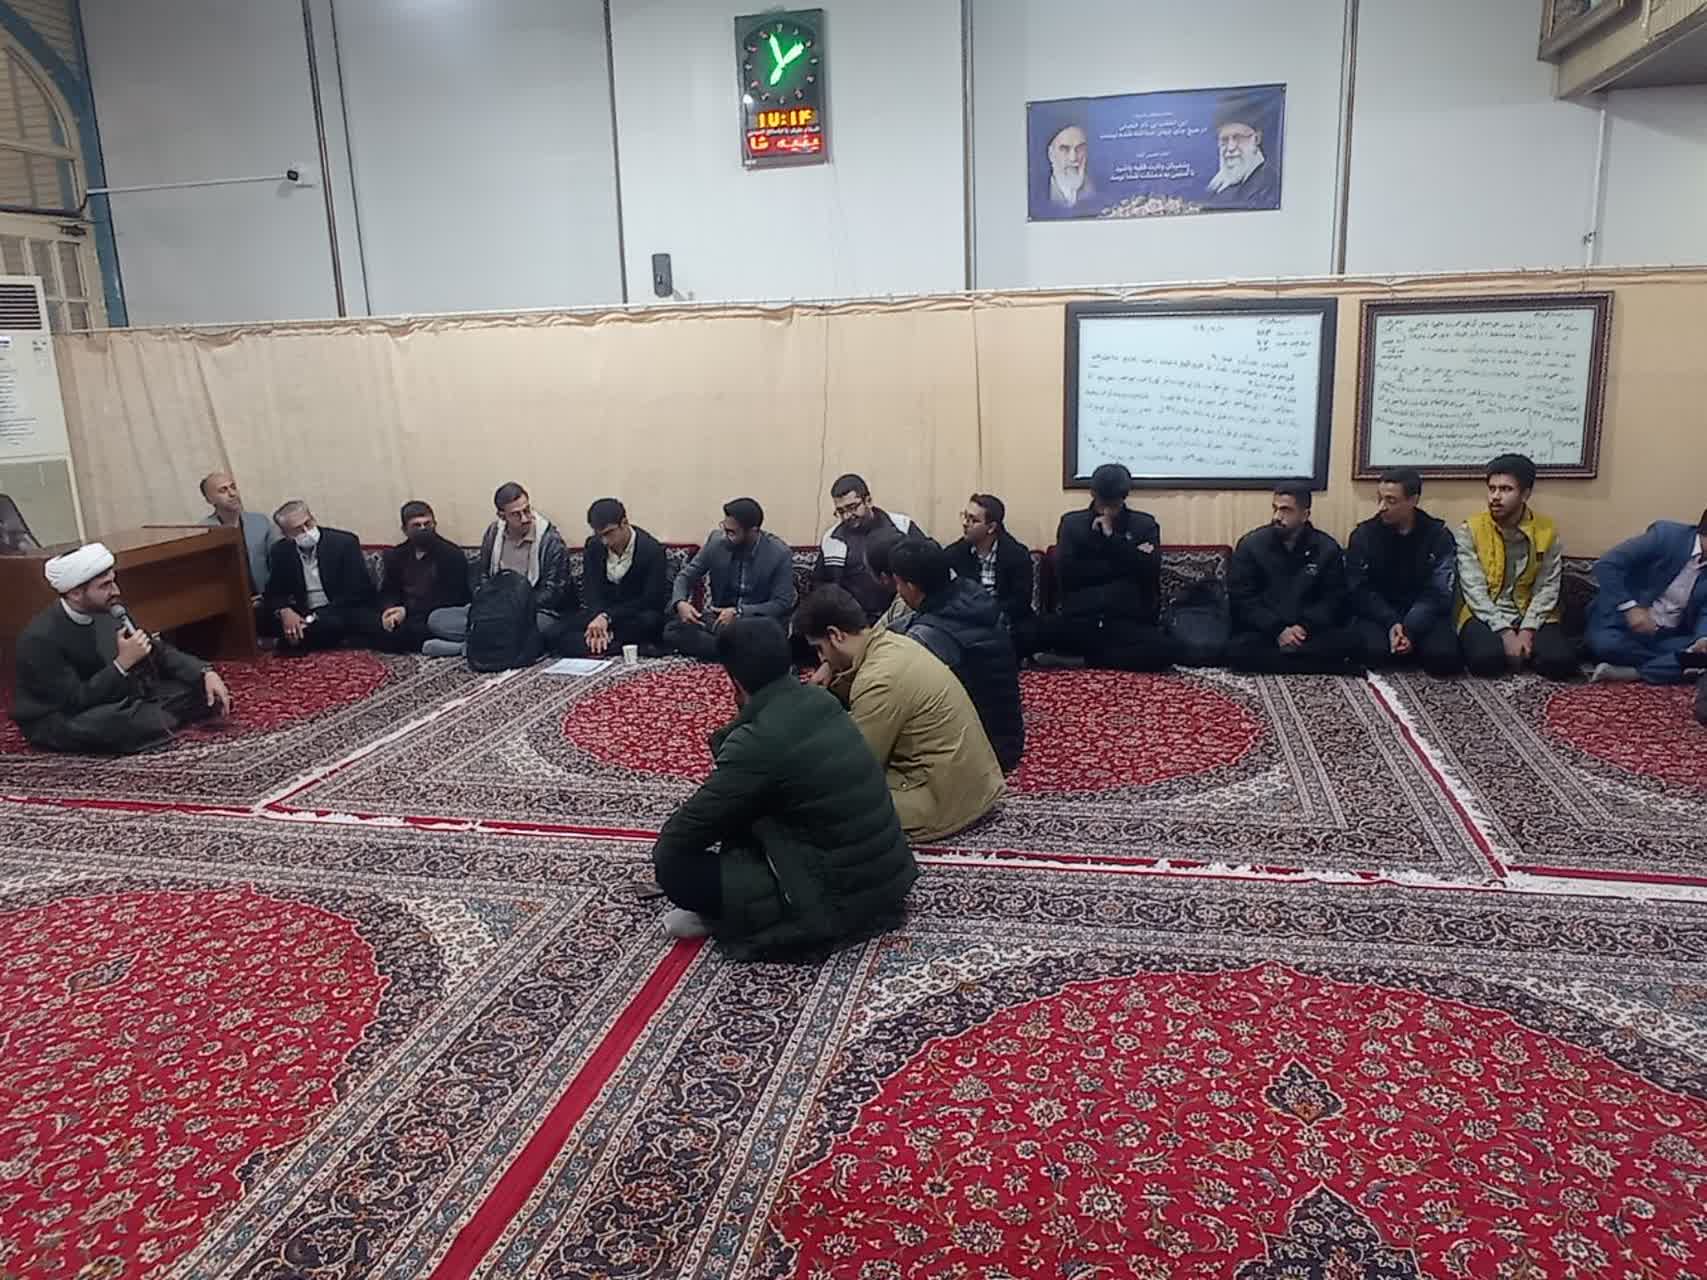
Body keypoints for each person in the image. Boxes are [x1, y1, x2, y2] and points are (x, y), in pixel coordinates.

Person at [649, 617, 919, 950]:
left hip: (837, 896)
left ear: (735, 682)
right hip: (887, 878)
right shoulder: (822, 701)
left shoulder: (758, 741)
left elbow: (681, 837)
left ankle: (734, 915)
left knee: (675, 867)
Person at [797, 586, 1004, 843]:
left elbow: (855, 767)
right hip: (967, 786)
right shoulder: (893, 644)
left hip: (942, 802)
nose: (820, 660)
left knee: (813, 802)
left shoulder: (879, 679)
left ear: (835, 635)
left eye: (820, 649)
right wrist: (833, 666)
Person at [10, 542, 233, 753]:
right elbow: (74, 701)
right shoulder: (40, 639)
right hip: (61, 716)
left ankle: (157, 719)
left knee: (201, 689)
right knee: (122, 723)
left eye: (113, 582)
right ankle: (155, 720)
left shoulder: (107, 610)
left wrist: (204, 672)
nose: (116, 591)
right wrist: (122, 664)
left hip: (114, 697)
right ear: (75, 593)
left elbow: (157, 650)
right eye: (105, 586)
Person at [888, 539, 1025, 773]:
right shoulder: (970, 593)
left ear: (910, 587)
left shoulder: (928, 637)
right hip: (1006, 739)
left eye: (898, 584)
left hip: (978, 753)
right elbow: (900, 625)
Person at [1033, 463, 1174, 671]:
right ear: (1092, 494)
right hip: (1081, 618)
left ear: (1125, 496)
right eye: (1103, 502)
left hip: (1126, 621)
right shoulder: (1072, 524)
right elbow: (1067, 574)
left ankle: (1083, 661)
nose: (1107, 510)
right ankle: (1100, 657)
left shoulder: (1143, 525)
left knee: (1165, 650)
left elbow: (1149, 570)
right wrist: (1127, 560)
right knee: (1026, 634)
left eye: (1113, 503)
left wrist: (1112, 539)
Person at [1455, 454, 1576, 680]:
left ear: (1525, 494)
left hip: (1530, 611)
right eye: (1492, 489)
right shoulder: (1471, 529)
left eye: (1506, 489)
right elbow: (1473, 589)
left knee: (1560, 663)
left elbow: (1547, 586)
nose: (1495, 497)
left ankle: (1527, 651)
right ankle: (1517, 654)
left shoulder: (1547, 531)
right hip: (1485, 612)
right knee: (1485, 661)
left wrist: (1528, 630)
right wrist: (1504, 632)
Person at [426, 482, 573, 658]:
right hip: (495, 606)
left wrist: (512, 610)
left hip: (533, 611)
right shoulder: (493, 533)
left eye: (527, 510)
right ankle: (492, 643)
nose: (525, 518)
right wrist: (488, 605)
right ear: (502, 516)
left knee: (545, 627)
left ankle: (467, 647)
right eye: (516, 514)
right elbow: (483, 575)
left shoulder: (550, 541)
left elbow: (553, 592)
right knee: (437, 619)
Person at [1227, 484, 1361, 674]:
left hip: (1309, 631)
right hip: (1266, 631)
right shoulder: (1251, 545)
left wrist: (1303, 627)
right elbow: (1242, 597)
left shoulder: (1327, 548)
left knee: (1353, 642)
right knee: (1237, 651)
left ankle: (1285, 662)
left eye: (1286, 510)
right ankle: (1318, 666)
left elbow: (1333, 599)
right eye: (1275, 508)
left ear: (1304, 515)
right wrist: (1278, 630)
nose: (1277, 516)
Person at [1345, 468, 1462, 675]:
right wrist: (1391, 621)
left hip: (1423, 614)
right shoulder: (1364, 535)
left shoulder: (1438, 535)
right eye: (1379, 499)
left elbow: (1440, 591)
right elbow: (1359, 589)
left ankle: (1407, 644)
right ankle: (1402, 645)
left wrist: (1409, 628)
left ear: (1413, 500)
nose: (1382, 507)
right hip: (1379, 613)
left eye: (1391, 500)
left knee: (1444, 659)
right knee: (1373, 654)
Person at [665, 497, 797, 661]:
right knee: (672, 630)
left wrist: (739, 612)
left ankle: (725, 650)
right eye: (724, 529)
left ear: (753, 531)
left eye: (732, 533)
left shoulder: (779, 553)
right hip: (720, 621)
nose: (725, 536)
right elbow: (685, 577)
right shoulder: (717, 542)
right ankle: (735, 652)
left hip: (756, 624)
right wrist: (680, 603)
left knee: (770, 640)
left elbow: (782, 603)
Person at [1586, 508, 1707, 684]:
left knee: (1700, 653)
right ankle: (1673, 667)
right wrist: (1631, 608)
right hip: (1624, 627)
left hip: (1669, 636)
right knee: (1606, 645)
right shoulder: (1666, 536)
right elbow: (1606, 564)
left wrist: (1703, 639)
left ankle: (1635, 673)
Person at [556, 498, 670, 658]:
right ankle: (612, 644)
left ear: (624, 523)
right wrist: (598, 619)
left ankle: (602, 644)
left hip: (633, 615)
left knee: (650, 622)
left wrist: (608, 617)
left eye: (608, 533)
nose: (604, 541)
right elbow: (591, 590)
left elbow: (651, 599)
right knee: (558, 631)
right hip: (601, 616)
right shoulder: (594, 546)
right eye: (599, 535)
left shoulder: (652, 550)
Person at [263, 501, 380, 652]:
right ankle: (301, 636)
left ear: (313, 518)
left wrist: (314, 617)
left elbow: (357, 591)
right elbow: (273, 593)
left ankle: (296, 640)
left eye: (308, 523)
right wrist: (285, 611)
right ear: (286, 535)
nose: (306, 531)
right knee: (258, 618)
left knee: (336, 623)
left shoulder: (344, 543)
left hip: (338, 609)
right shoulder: (280, 551)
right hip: (303, 610)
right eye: (297, 530)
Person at [810, 473, 925, 624]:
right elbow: (820, 585)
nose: (847, 516)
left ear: (868, 501)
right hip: (852, 622)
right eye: (841, 511)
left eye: (852, 507)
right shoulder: (832, 539)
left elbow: (926, 566)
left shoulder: (902, 526)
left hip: (902, 615)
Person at [376, 500, 472, 655]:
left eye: (427, 524)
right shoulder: (397, 555)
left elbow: (452, 597)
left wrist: (407, 611)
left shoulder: (451, 554)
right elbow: (389, 590)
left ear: (434, 524)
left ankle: (454, 647)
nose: (423, 529)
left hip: (436, 614)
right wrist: (389, 610)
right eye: (417, 525)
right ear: (405, 529)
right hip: (403, 614)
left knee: (410, 632)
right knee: (371, 625)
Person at [947, 493, 1035, 643]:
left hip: (1005, 620)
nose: (965, 523)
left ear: (991, 527)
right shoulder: (955, 554)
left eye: (973, 520)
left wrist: (988, 613)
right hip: (967, 620)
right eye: (965, 516)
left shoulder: (1017, 555)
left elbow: (1020, 601)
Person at [198, 470, 280, 601]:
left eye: (233, 487)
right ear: (209, 499)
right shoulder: (204, 530)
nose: (232, 494)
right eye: (223, 490)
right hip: (231, 603)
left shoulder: (260, 521)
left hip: (268, 598)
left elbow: (279, 562)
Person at [1203, 94, 1281, 210]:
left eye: (1238, 138)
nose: (1230, 148)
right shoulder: (1219, 188)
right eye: (1224, 140)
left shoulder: (1269, 186)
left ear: (1256, 139)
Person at [1045, 121, 1095, 211]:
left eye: (1080, 148)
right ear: (1051, 154)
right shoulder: (1038, 193)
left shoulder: (1096, 190)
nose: (1073, 158)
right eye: (1064, 149)